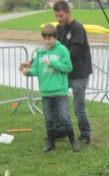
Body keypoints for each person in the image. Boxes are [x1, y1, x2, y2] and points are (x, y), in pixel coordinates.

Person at [19, 23, 79, 152]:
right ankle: (51, 143)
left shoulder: (62, 50)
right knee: (49, 119)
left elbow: (68, 67)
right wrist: (27, 72)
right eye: (45, 38)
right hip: (45, 91)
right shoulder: (40, 52)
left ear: (55, 37)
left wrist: (52, 63)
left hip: (60, 91)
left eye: (49, 38)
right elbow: (36, 69)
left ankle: (73, 141)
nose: (47, 41)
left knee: (65, 118)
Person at [53, 0, 92, 144]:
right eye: (56, 16)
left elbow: (74, 51)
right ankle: (61, 130)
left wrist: (56, 60)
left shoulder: (77, 27)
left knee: (78, 107)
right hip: (65, 73)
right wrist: (35, 61)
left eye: (61, 16)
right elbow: (51, 47)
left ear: (68, 13)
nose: (58, 19)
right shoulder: (58, 28)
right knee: (57, 102)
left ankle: (85, 134)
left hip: (79, 74)